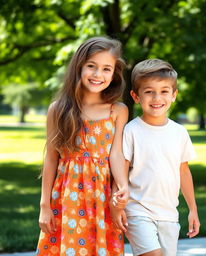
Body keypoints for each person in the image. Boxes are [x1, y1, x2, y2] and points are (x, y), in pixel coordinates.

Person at [36, 36, 129, 256]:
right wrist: (44, 205)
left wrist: (123, 186)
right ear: (79, 67)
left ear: (114, 73)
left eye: (107, 69)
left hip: (103, 198)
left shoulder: (117, 110)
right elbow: (51, 157)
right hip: (67, 198)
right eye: (91, 66)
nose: (98, 75)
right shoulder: (58, 109)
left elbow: (116, 153)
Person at [111, 59, 200, 256]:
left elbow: (183, 171)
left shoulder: (179, 132)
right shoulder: (132, 130)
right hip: (137, 211)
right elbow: (121, 169)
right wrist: (116, 205)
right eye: (149, 91)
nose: (156, 97)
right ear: (136, 96)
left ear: (174, 95)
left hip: (169, 214)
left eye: (164, 91)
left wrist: (193, 209)